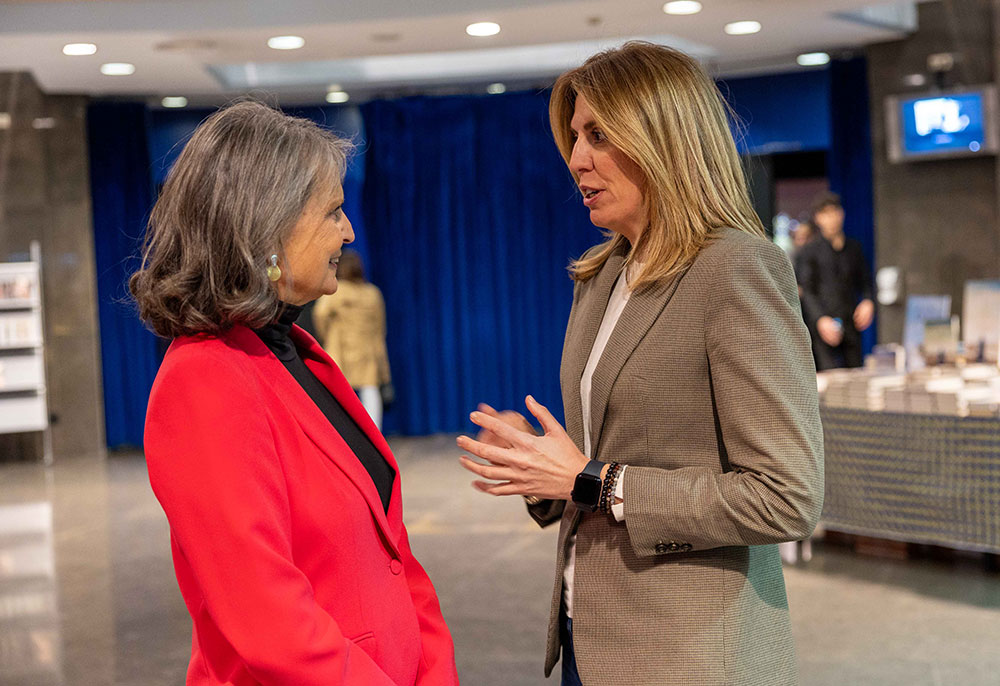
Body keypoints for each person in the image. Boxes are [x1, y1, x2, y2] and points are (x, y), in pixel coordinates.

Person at [457, 42, 823, 686]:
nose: (576, 159)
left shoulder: (734, 268)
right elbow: (600, 462)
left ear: (664, 141)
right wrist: (544, 466)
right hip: (588, 636)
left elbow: (785, 498)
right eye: (575, 137)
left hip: (686, 653)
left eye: (598, 135)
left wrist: (595, 481)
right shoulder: (601, 274)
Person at [131, 101, 457, 686]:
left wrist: (435, 672)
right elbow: (269, 619)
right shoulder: (204, 380)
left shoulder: (299, 354)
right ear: (268, 228)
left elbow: (395, 555)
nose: (348, 231)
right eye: (333, 211)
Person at [313, 250, 392, 430]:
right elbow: (380, 326)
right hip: (367, 349)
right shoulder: (372, 293)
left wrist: (326, 336)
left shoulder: (336, 291)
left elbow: (320, 315)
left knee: (339, 393)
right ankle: (374, 434)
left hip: (340, 349)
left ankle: (342, 435)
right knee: (370, 389)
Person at [795, 191, 875, 370]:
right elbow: (807, 291)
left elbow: (865, 282)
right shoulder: (809, 252)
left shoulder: (854, 248)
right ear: (818, 218)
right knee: (828, 376)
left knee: (855, 374)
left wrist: (868, 301)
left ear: (842, 213)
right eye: (825, 214)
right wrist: (820, 319)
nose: (831, 218)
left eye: (834, 212)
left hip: (851, 324)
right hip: (823, 326)